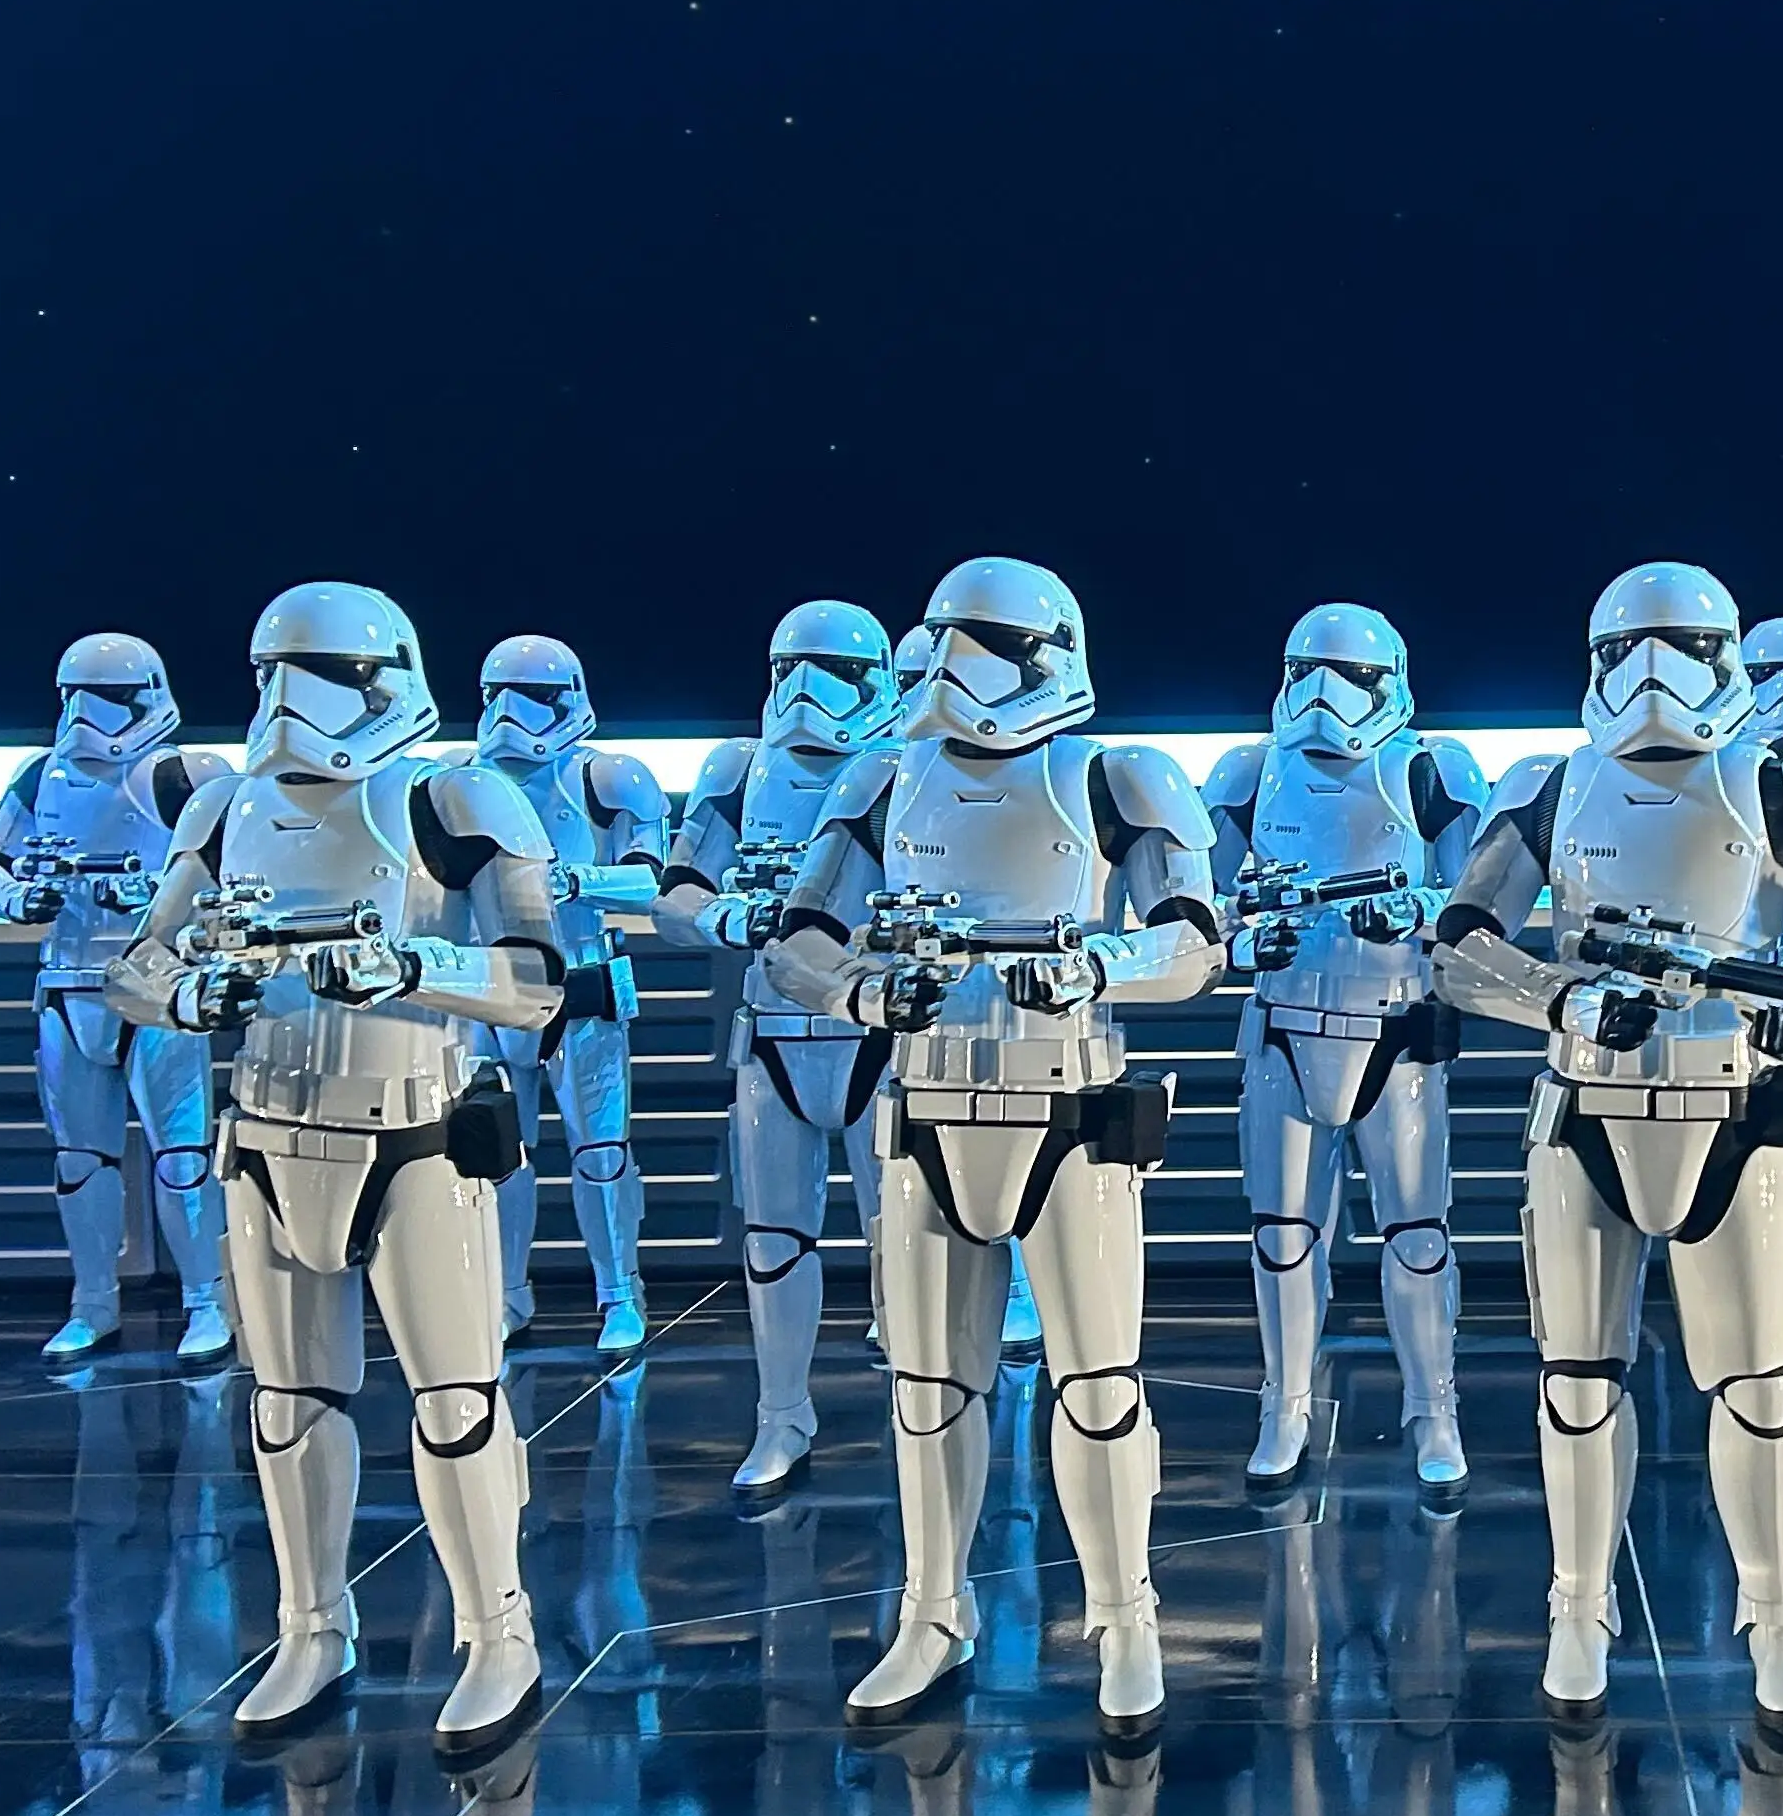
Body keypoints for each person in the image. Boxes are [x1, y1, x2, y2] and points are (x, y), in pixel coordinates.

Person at [1433, 563, 1783, 1741]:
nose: (1653, 675)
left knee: (1762, 1388)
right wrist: (1558, 998)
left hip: (1736, 1103)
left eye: (1682, 647)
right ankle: (1577, 1608)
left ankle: (1776, 1613)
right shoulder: (1552, 786)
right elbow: (1462, 942)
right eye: (1627, 650)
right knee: (1578, 1381)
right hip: (1585, 1103)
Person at [764, 558, 1222, 1737]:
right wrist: (861, 989)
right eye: (942, 635)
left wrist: (1097, 965)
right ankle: (933, 1610)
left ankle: (1124, 1616)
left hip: (1071, 1110)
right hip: (924, 1106)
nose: (952, 663)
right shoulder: (884, 778)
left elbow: (1192, 942)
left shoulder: (1115, 776)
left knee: (1099, 1386)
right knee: (926, 1389)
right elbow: (797, 939)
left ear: (1042, 654)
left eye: (980, 639)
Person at [111, 581, 566, 1761]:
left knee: (457, 1400)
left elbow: (536, 980)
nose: (284, 700)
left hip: (416, 1129)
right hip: (266, 1132)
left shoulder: (450, 798)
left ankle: (498, 1631)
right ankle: (311, 1626)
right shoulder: (225, 806)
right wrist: (187, 993)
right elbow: (138, 962)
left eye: (312, 673)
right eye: (271, 672)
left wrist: (410, 967)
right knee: (288, 1403)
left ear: (378, 678)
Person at [1204, 604, 1487, 1492]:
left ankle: (1434, 1407)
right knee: (1283, 1233)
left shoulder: (1430, 770)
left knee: (1418, 1235)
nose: (1326, 696)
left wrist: (1413, 911)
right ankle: (1284, 1404)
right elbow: (1202, 909)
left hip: (1395, 1031)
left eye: (1351, 678)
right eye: (1308, 674)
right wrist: (1252, 935)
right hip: (1284, 1026)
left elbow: (1477, 902)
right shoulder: (1250, 772)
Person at [660, 601, 899, 1491]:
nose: (806, 692)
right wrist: (725, 915)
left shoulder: (904, 770)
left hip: (874, 1027)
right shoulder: (738, 768)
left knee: (903, 1234)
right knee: (773, 1238)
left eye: (831, 672)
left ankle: (920, 1404)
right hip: (772, 1030)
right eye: (790, 669)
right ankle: (781, 1413)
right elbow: (676, 893)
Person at [0, 634, 232, 1364]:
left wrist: (153, 897)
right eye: (78, 698)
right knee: (80, 1160)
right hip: (68, 979)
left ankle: (206, 1301)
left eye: (110, 699)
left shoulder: (186, 775)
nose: (91, 716)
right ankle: (92, 1301)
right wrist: (18, 897)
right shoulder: (42, 776)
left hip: (158, 980)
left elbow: (231, 875)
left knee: (182, 1155)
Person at [467, 634, 673, 1353]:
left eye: (530, 696)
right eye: (497, 695)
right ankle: (506, 1293)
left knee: (601, 1152)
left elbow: (653, 882)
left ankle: (619, 1293)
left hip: (581, 977)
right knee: (497, 1151)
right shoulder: (463, 782)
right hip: (491, 983)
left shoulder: (606, 777)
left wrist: (579, 880)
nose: (510, 713)